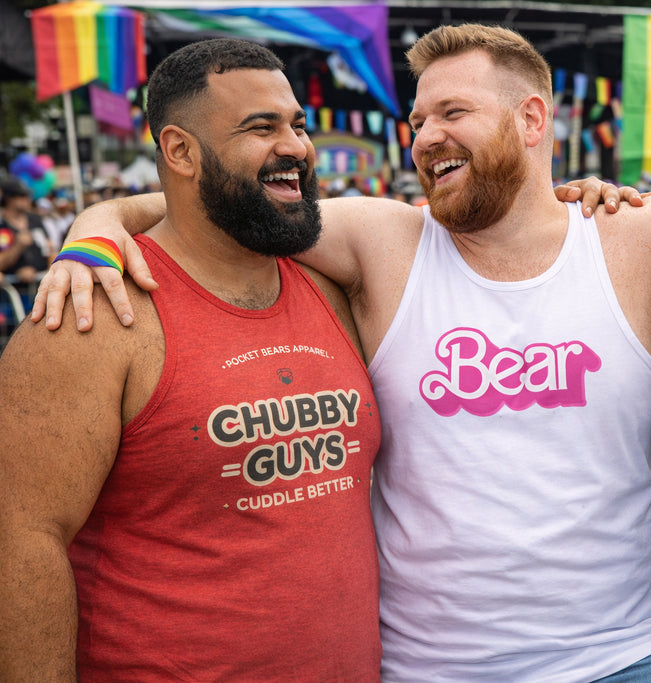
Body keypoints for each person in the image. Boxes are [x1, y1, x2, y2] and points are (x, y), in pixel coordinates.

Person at [32, 26, 651, 681]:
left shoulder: (637, 235)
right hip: (428, 665)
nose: (423, 135)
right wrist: (97, 220)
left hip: (624, 655)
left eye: (451, 111)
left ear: (533, 121)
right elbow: (227, 195)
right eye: (415, 119)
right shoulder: (379, 238)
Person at [0, 39, 384, 680]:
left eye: (298, 124)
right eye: (261, 127)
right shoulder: (95, 312)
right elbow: (22, 542)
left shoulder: (336, 285)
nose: (294, 146)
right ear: (179, 150)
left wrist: (589, 202)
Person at [0, 179, 52, 283]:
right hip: (14, 291)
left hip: (41, 284)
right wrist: (18, 246)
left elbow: (50, 251)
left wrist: (51, 271)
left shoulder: (35, 220)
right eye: (22, 196)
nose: (28, 199)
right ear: (9, 199)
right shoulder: (2, 224)